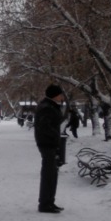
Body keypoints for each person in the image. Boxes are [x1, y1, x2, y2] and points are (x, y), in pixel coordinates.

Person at [34, 84, 66, 213]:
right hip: (47, 144)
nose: (62, 96)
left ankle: (49, 201)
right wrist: (56, 136)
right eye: (60, 94)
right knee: (49, 174)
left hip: (49, 143)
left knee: (51, 174)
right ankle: (45, 203)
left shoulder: (49, 105)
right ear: (55, 95)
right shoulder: (47, 107)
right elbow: (45, 127)